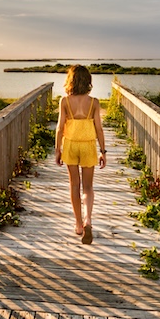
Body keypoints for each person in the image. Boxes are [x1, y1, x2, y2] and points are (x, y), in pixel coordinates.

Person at [55, 64, 107, 244]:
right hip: (88, 146)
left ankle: (78, 224)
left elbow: (60, 128)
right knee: (88, 187)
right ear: (88, 81)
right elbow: (99, 129)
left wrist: (57, 150)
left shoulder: (64, 101)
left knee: (74, 185)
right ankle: (88, 220)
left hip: (70, 145)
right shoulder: (94, 102)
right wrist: (103, 151)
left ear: (71, 80)